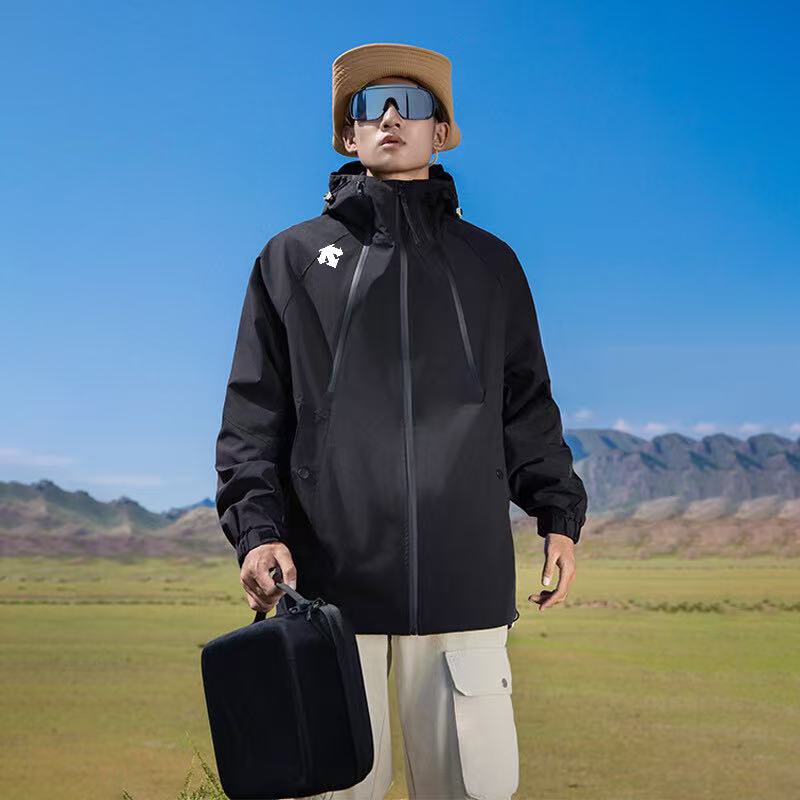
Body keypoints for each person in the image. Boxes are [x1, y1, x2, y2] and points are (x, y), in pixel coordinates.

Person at [214, 42, 588, 800]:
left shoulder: (493, 266)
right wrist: (256, 532)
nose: (390, 117)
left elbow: (525, 404)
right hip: (326, 591)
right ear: (348, 134)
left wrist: (558, 514)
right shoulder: (289, 260)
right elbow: (254, 416)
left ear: (440, 132)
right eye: (369, 106)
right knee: (335, 790)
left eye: (411, 104)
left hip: (464, 586)